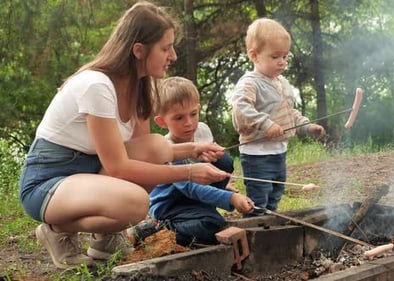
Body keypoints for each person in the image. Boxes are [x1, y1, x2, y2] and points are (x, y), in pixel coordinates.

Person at [18, 2, 230, 269]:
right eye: (165, 48)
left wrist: (194, 150)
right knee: (136, 203)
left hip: (89, 177)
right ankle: (57, 229)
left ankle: (104, 240)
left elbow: (147, 154)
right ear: (139, 50)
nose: (173, 55)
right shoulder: (97, 86)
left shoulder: (142, 88)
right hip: (48, 183)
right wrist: (189, 173)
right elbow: (119, 168)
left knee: (155, 146)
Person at [129, 76, 254, 247]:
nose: (189, 123)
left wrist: (223, 187)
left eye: (193, 114)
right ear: (161, 121)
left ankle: (203, 209)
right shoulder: (167, 149)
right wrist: (231, 198)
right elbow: (190, 188)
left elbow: (211, 167)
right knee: (213, 225)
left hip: (194, 196)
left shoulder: (202, 130)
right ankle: (158, 228)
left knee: (223, 160)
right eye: (179, 118)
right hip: (172, 205)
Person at [231, 18, 325, 216]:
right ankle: (255, 229)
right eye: (275, 57)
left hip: (279, 153)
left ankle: (269, 226)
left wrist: (306, 126)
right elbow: (241, 109)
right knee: (259, 198)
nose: (282, 62)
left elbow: (289, 113)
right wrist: (266, 124)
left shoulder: (282, 83)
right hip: (257, 155)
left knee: (275, 194)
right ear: (254, 56)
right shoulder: (250, 83)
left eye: (285, 56)